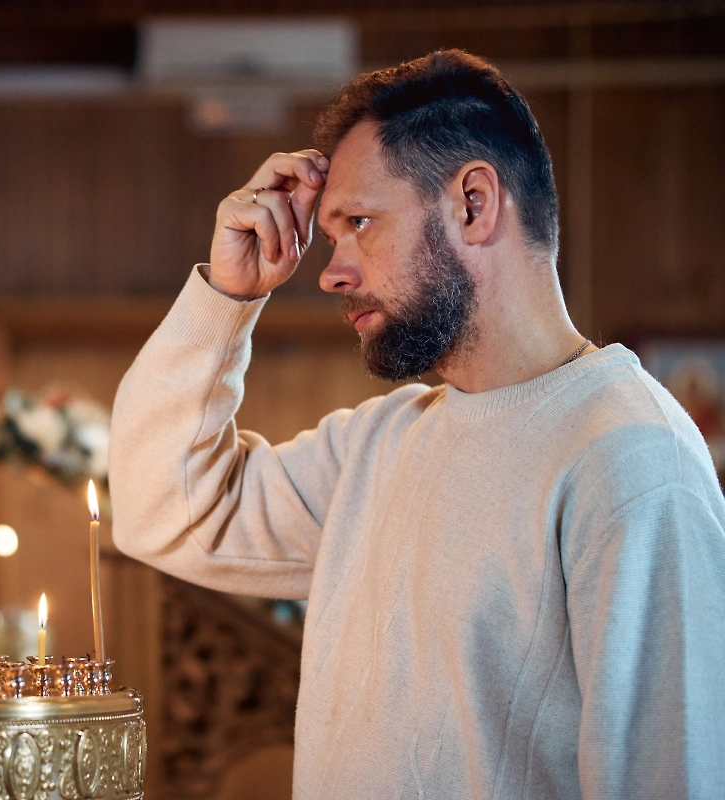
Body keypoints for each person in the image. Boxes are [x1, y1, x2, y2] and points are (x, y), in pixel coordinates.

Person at [109, 49, 725, 798]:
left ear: (473, 204)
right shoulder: (377, 445)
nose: (331, 272)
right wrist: (226, 298)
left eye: (359, 223)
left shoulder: (633, 462)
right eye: (331, 236)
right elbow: (161, 510)